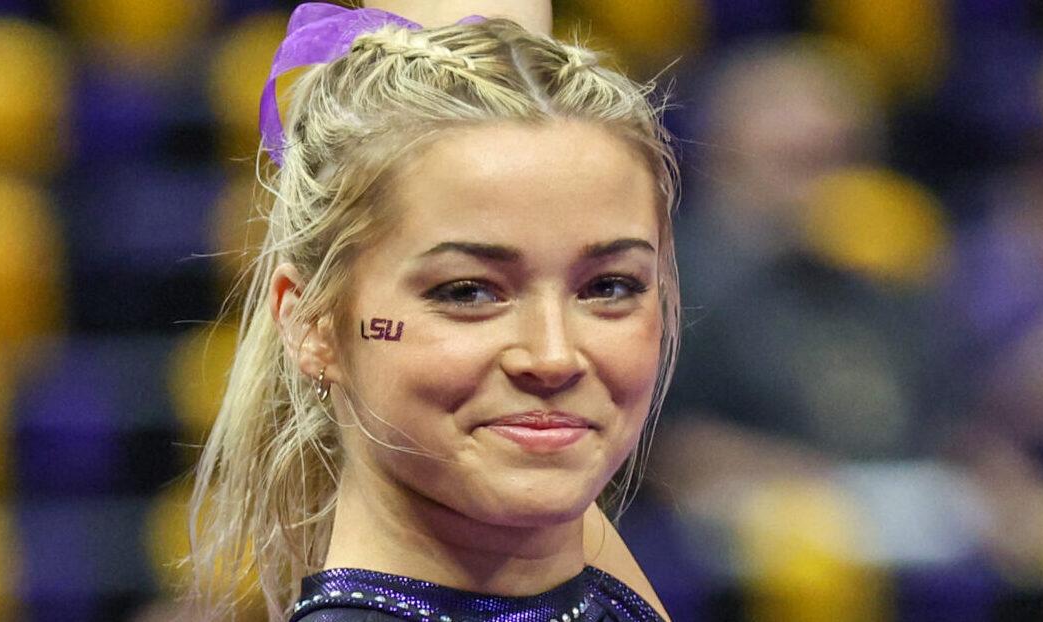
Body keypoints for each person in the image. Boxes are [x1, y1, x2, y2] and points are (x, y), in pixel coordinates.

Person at [187, 2, 680, 620]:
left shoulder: (595, 590)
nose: (553, 356)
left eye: (608, 287)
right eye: (468, 292)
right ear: (311, 321)